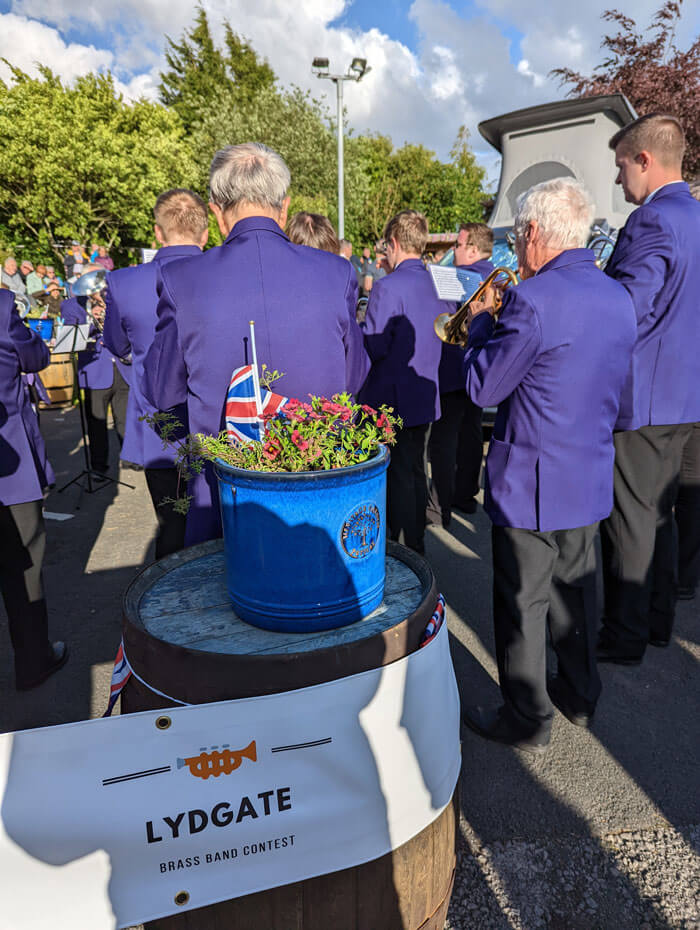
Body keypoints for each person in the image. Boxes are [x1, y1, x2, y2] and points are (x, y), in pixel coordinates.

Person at [460, 178, 636, 753]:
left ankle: (527, 716)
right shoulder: (618, 296)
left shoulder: (532, 301)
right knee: (577, 592)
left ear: (533, 232)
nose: (517, 246)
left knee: (523, 600)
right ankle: (581, 695)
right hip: (588, 469)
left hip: (531, 477)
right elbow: (624, 398)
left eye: (518, 235)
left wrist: (479, 325)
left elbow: (484, 385)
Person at [143, 142, 369, 546]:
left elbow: (161, 390)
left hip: (223, 494)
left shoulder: (181, 279)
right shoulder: (337, 272)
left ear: (216, 211)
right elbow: (354, 377)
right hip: (323, 487)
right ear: (283, 208)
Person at [598, 114, 700, 664]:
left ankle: (625, 634)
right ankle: (658, 622)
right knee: (661, 514)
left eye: (620, 167)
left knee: (632, 519)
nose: (618, 183)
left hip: (648, 395)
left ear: (644, 160)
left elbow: (628, 307)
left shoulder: (651, 221)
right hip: (688, 395)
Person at [102, 189, 209, 558]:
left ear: (157, 234)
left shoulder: (123, 282)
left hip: (157, 425)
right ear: (205, 233)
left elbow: (116, 346)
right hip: (219, 421)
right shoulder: (222, 274)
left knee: (171, 525)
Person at [359, 209, 446, 555]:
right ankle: (417, 542)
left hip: (390, 399)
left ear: (393, 243)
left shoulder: (387, 287)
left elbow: (375, 346)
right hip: (424, 392)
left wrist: (360, 326)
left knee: (396, 476)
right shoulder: (439, 281)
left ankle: (403, 550)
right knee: (414, 470)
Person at [0, 289, 68, 690]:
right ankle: (32, 662)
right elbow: (36, 358)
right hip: (9, 472)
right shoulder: (3, 306)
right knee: (22, 567)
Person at [426, 222, 495, 527]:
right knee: (471, 432)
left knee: (443, 440)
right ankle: (466, 494)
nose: (454, 249)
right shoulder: (493, 272)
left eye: (459, 243)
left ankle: (436, 507)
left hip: (456, 368)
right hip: (479, 366)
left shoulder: (465, 277)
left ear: (474, 249)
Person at [61, 266, 131, 474]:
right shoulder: (71, 305)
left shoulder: (115, 299)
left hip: (119, 366)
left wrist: (111, 315)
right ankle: (99, 466)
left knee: (125, 418)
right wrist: (92, 319)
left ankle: (129, 457)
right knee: (97, 423)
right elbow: (72, 336)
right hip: (94, 371)